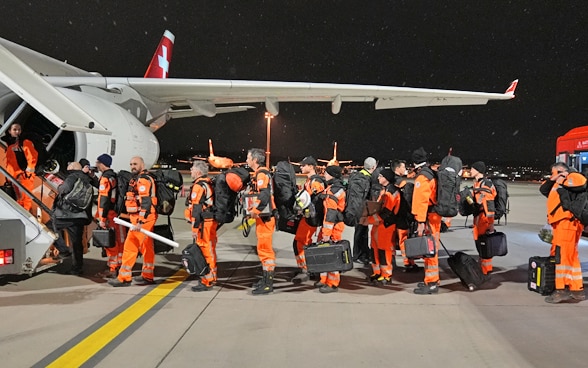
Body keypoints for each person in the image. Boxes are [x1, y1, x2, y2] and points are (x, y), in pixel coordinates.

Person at [539, 162, 585, 303]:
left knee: (562, 257)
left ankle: (562, 290)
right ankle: (576, 289)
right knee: (570, 256)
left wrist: (565, 175)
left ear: (561, 171)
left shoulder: (573, 178)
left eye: (552, 173)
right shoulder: (558, 182)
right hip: (561, 224)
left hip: (567, 223)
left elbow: (582, 182)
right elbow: (543, 189)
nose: (551, 176)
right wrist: (554, 178)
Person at [109, 156, 158, 287]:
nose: (132, 166)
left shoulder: (142, 180)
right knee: (147, 246)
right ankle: (148, 275)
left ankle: (124, 277)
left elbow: (146, 202)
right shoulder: (139, 179)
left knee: (130, 246)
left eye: (135, 164)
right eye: (131, 164)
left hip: (142, 218)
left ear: (142, 164)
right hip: (142, 217)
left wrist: (140, 221)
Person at [410, 147, 443, 295]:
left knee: (430, 250)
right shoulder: (432, 174)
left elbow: (421, 201)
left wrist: (420, 222)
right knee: (432, 249)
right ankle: (431, 280)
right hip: (434, 216)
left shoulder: (423, 177)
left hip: (429, 218)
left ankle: (431, 282)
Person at [51, 161, 92, 275]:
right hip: (80, 215)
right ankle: (77, 268)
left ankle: (63, 250)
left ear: (73, 167)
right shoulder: (86, 178)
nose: (67, 165)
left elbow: (63, 189)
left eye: (69, 164)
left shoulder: (72, 177)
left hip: (66, 214)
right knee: (76, 242)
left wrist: (59, 186)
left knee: (50, 227)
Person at [245, 148, 277, 295]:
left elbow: (264, 195)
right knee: (262, 249)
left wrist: (255, 211)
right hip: (263, 218)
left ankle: (268, 284)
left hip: (265, 218)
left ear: (255, 160)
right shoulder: (260, 173)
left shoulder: (262, 174)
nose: (246, 160)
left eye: (248, 157)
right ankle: (265, 280)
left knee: (265, 250)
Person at [291, 156, 325, 284]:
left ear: (311, 166)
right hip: (309, 218)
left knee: (301, 243)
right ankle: (306, 268)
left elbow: (315, 201)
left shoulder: (315, 182)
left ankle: (305, 270)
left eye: (303, 165)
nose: (301, 167)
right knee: (303, 243)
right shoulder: (310, 180)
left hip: (310, 218)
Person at [185, 160, 218, 291]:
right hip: (210, 221)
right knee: (210, 249)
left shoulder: (199, 186)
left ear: (198, 172)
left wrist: (194, 228)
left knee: (205, 249)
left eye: (192, 169)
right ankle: (212, 275)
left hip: (204, 223)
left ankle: (207, 279)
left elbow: (196, 208)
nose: (191, 171)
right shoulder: (208, 183)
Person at [316, 165, 346, 293]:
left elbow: (331, 213)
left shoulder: (333, 190)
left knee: (332, 254)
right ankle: (324, 279)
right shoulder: (335, 188)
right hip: (333, 225)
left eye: (327, 173)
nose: (324, 175)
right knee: (325, 252)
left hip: (333, 227)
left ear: (332, 175)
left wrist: (326, 233)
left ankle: (333, 283)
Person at [94, 153, 125, 278]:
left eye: (97, 163)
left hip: (110, 215)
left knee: (110, 242)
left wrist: (102, 218)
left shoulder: (105, 178)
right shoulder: (114, 176)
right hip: (117, 213)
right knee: (120, 240)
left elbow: (103, 199)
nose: (96, 165)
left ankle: (112, 268)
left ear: (102, 164)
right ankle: (121, 265)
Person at [368, 168, 400, 285]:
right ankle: (377, 272)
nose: (378, 178)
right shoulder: (385, 191)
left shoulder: (390, 193)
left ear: (386, 179)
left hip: (385, 226)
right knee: (375, 249)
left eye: (380, 176)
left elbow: (386, 212)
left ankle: (386, 275)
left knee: (383, 250)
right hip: (379, 225)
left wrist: (370, 219)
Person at [392, 159, 420, 272]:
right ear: (397, 169)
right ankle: (408, 263)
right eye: (403, 167)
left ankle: (390, 261)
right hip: (402, 216)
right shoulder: (403, 183)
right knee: (404, 240)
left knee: (392, 240)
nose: (405, 169)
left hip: (392, 215)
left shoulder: (390, 181)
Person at [3, 122, 38, 212]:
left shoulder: (25, 142)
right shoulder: (11, 144)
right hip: (13, 176)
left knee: (25, 198)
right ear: (9, 131)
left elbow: (32, 156)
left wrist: (28, 172)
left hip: (23, 176)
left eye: (19, 130)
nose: (17, 131)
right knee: (18, 198)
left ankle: (25, 213)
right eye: (15, 129)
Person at [470, 161, 497, 275]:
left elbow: (489, 205)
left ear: (478, 170)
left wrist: (490, 224)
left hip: (484, 219)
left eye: (472, 169)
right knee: (479, 243)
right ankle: (482, 266)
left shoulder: (485, 184)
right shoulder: (478, 183)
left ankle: (486, 270)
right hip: (478, 218)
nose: (470, 171)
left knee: (484, 244)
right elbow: (479, 200)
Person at [352, 157, 378, 265]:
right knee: (361, 231)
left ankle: (361, 253)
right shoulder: (367, 178)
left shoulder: (357, 176)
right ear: (373, 167)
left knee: (361, 231)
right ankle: (359, 255)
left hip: (356, 208)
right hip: (362, 209)